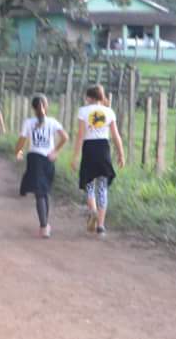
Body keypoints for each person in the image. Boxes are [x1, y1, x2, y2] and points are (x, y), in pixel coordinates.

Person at [70, 84, 126, 236]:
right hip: (103, 149)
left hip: (89, 149)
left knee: (89, 184)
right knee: (102, 187)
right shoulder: (109, 112)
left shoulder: (83, 111)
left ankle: (93, 211)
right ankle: (101, 226)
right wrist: (121, 154)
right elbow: (116, 136)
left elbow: (80, 135)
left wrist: (75, 157)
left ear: (89, 97)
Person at [15, 95, 69, 238]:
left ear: (33, 108)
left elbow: (21, 142)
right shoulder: (53, 122)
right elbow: (65, 137)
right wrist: (55, 151)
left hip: (34, 158)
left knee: (39, 193)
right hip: (48, 159)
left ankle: (44, 226)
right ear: (47, 106)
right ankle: (45, 224)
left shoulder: (28, 122)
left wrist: (18, 152)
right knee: (44, 192)